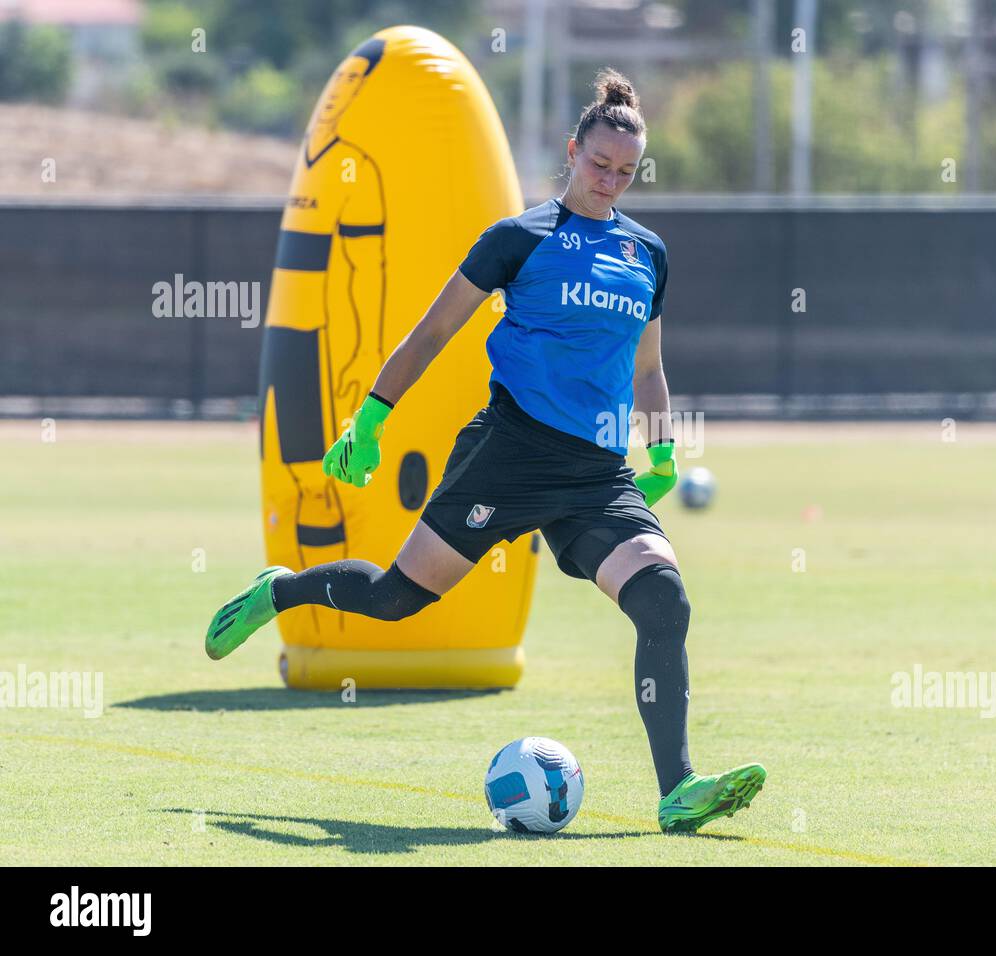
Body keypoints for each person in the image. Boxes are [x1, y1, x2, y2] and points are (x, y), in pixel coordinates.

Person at [206, 69, 765, 834]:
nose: (610, 181)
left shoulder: (647, 254)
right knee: (396, 599)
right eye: (598, 164)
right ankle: (282, 592)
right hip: (508, 453)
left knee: (664, 600)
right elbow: (433, 332)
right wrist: (371, 421)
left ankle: (677, 790)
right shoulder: (517, 239)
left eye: (626, 173)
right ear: (572, 151)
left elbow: (647, 365)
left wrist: (662, 450)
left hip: (597, 478)